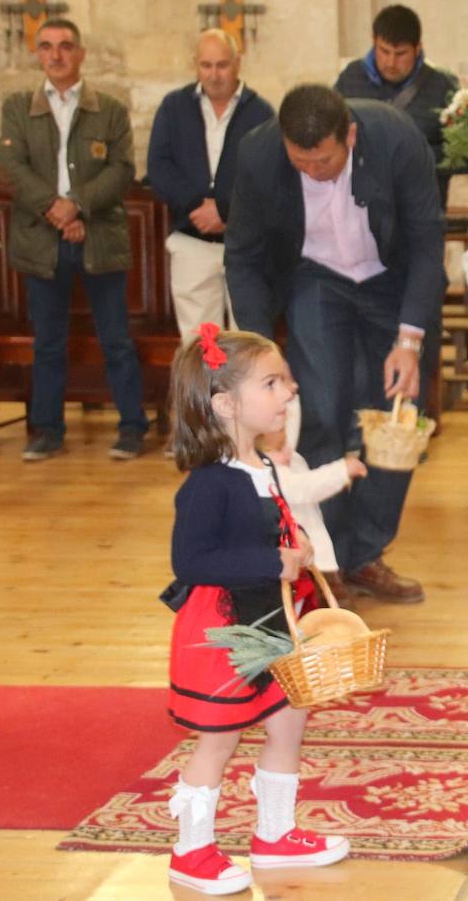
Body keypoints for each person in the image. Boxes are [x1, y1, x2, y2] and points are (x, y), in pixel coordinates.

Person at [225, 84, 445, 605]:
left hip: (389, 282)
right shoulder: (258, 153)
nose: (311, 172)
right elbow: (244, 256)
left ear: (348, 135)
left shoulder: (396, 140)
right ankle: (329, 561)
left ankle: (367, 555)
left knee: (395, 421)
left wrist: (409, 341)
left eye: (322, 160)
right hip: (315, 279)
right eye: (299, 162)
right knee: (317, 412)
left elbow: (426, 244)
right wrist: (260, 355)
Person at [164, 324, 348, 894]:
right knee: (218, 740)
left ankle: (274, 834)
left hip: (272, 619)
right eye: (272, 383)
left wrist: (295, 551)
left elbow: (267, 530)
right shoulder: (207, 485)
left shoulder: (265, 467)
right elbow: (191, 559)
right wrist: (273, 563)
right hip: (224, 628)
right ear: (224, 404)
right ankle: (190, 852)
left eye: (287, 382)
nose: (289, 392)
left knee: (289, 722)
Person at [0, 18, 149, 461]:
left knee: (116, 339)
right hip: (41, 239)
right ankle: (46, 430)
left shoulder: (110, 110)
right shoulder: (17, 107)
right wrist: (56, 210)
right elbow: (11, 165)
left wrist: (77, 206)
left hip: (99, 236)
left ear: (80, 53)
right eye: (46, 47)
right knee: (48, 341)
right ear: (37, 54)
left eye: (65, 46)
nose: (56, 54)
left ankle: (132, 426)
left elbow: (121, 170)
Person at [147, 29, 273, 345]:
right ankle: (205, 397)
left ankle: (243, 397)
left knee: (247, 342)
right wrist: (195, 206)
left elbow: (269, 177)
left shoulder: (262, 113)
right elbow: (159, 166)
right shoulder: (174, 107)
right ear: (195, 65)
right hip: (192, 241)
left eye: (222, 65)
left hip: (244, 244)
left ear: (238, 63)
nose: (214, 75)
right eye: (206, 65)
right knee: (199, 346)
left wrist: (225, 210)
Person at [333, 4, 468, 205]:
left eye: (401, 54)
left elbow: (466, 158)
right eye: (384, 51)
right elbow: (329, 136)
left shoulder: (443, 86)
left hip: (421, 210)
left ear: (418, 48)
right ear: (373, 42)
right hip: (360, 209)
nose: (391, 62)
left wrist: (413, 158)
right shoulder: (350, 79)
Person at [260, 401, 368, 606]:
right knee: (304, 603)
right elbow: (306, 487)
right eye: (276, 450)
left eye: (286, 444)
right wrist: (341, 471)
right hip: (301, 558)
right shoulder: (269, 473)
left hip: (313, 553)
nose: (286, 453)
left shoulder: (292, 461)